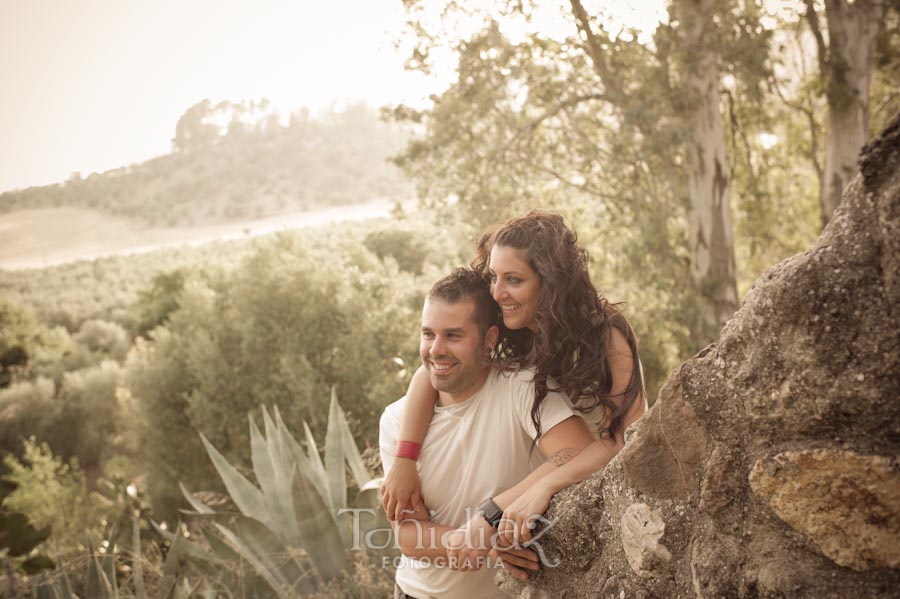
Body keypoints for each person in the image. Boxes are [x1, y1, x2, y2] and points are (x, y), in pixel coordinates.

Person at [381, 211, 646, 546]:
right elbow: (431, 370)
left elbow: (626, 441)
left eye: (514, 280)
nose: (497, 292)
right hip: (541, 499)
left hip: (597, 484)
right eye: (494, 276)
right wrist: (405, 458)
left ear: (550, 281)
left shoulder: (606, 334)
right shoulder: (513, 321)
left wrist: (536, 490)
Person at [380, 268, 596, 598]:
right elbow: (408, 535)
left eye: (453, 336)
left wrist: (490, 516)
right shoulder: (397, 420)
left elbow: (579, 452)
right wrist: (488, 543)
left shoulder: (522, 388)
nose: (436, 349)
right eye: (428, 334)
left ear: (490, 339)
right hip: (415, 592)